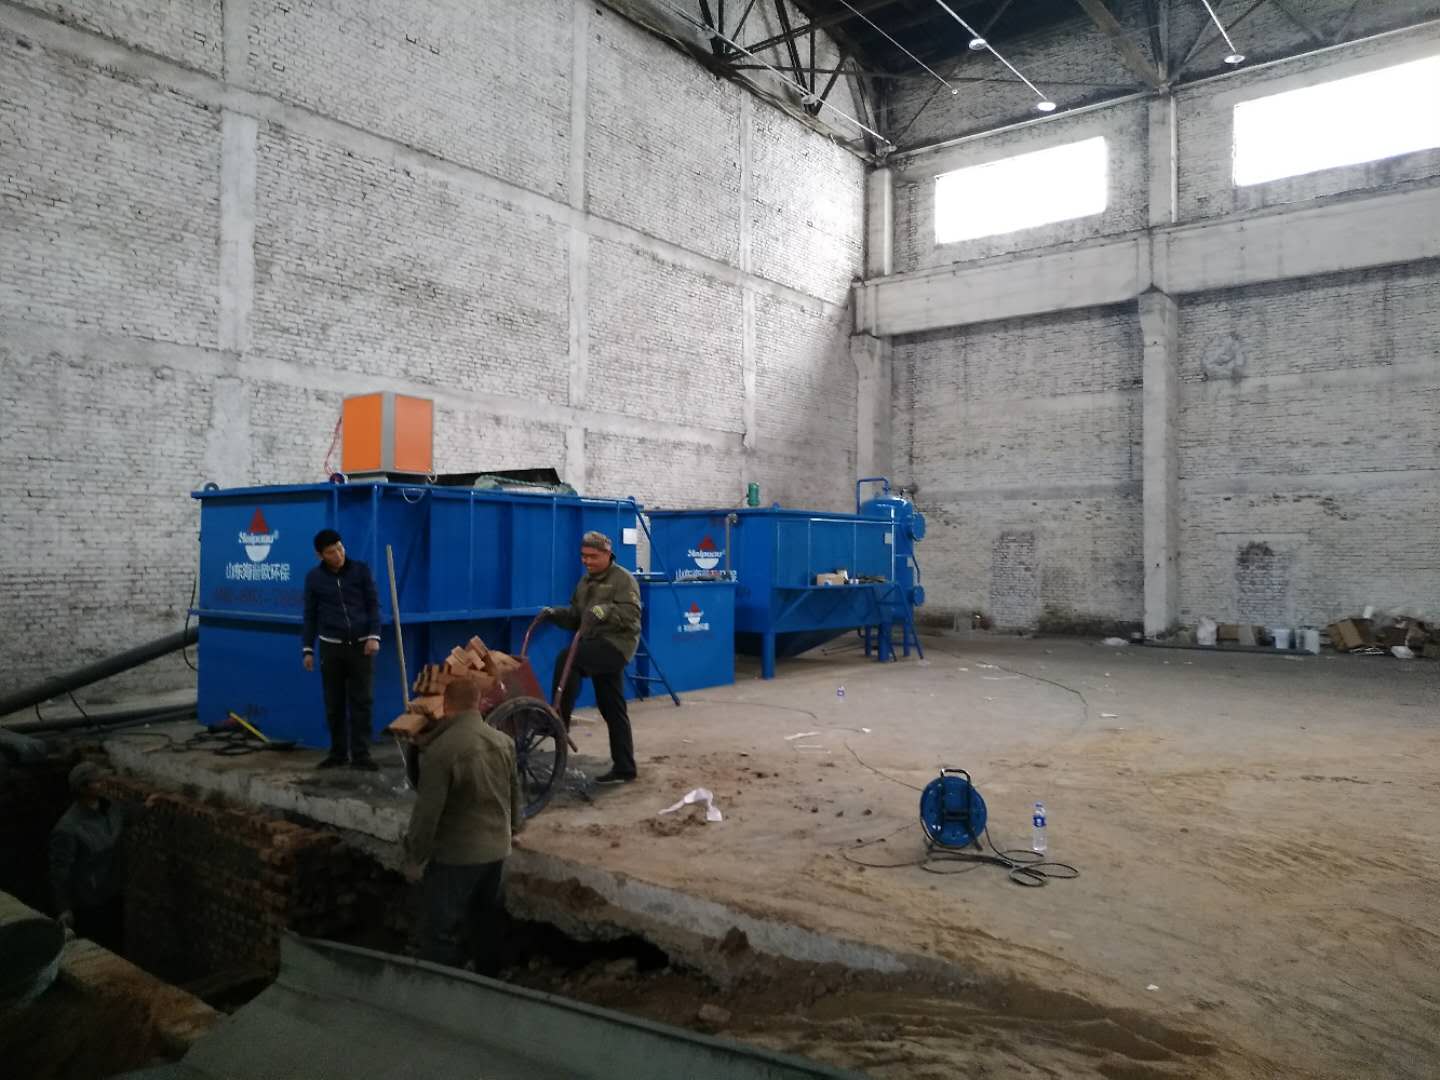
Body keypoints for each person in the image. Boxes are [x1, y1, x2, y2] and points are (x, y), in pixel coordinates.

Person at [403, 678, 523, 975]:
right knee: (485, 922)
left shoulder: (441, 752)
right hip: (497, 851)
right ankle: (489, 980)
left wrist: (415, 856)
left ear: (445, 706)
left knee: (438, 931)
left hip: (457, 856)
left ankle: (447, 987)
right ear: (478, 704)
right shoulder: (503, 741)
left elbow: (427, 814)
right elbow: (515, 794)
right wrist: (515, 827)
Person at [542, 530, 642, 785]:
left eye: (592, 556)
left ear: (607, 554)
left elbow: (631, 616)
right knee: (612, 707)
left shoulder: (623, 579)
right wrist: (554, 614)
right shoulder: (585, 582)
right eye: (583, 556)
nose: (587, 561)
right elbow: (577, 618)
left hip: (617, 646)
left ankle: (559, 719)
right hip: (595, 644)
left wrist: (606, 611)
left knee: (569, 658)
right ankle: (625, 768)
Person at [301, 528, 382, 770]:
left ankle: (361, 754)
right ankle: (337, 753)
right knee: (334, 704)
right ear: (320, 555)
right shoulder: (314, 579)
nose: (338, 555)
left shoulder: (360, 571)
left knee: (362, 702)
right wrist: (308, 649)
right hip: (331, 649)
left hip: (361, 647)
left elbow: (373, 605)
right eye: (331, 552)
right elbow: (310, 615)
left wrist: (373, 636)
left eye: (340, 548)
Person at [49, 762, 126, 950]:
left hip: (113, 890)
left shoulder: (109, 807)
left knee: (117, 943)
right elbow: (60, 871)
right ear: (83, 788)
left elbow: (126, 815)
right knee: (97, 945)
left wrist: (148, 805)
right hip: (89, 901)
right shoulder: (68, 828)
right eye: (96, 781)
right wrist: (64, 908)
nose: (103, 782)